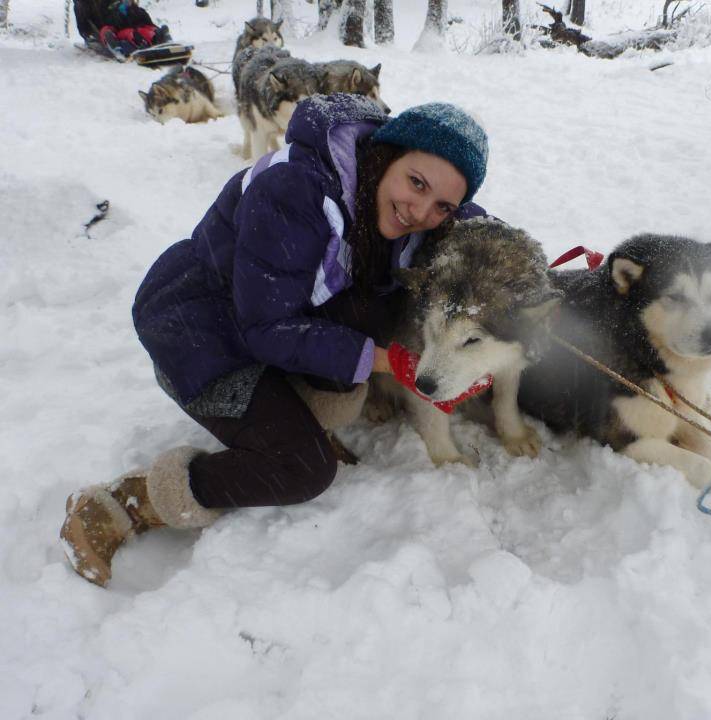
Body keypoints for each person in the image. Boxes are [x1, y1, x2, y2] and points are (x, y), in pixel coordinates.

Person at [60, 94, 490, 587]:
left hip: (272, 324)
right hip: (202, 334)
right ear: (388, 155)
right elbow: (267, 328)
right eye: (416, 183)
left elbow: (477, 226)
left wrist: (524, 272)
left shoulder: (389, 195)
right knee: (302, 468)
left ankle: (296, 414)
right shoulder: (294, 191)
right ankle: (128, 503)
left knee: (372, 317)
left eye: (442, 205)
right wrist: (387, 362)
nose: (420, 211)